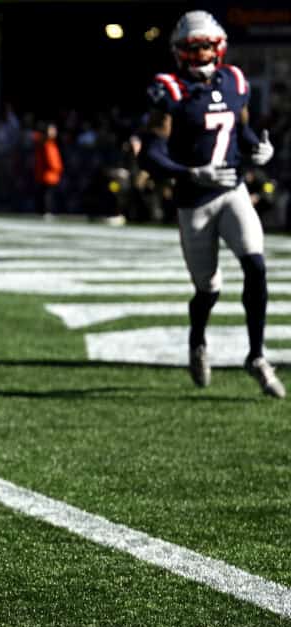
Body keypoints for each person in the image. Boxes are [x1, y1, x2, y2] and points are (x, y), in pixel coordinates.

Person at [140, 10, 285, 398]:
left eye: (207, 45)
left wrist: (259, 148)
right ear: (179, 51)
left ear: (218, 47)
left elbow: (243, 127)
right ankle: (198, 341)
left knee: (255, 265)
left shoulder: (236, 80)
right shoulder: (169, 90)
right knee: (208, 289)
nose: (201, 53)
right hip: (195, 202)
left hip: (233, 191)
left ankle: (256, 355)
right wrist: (191, 173)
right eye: (194, 47)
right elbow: (149, 154)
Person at [34, 122, 63, 219]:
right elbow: (51, 161)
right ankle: (47, 211)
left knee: (48, 194)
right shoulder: (46, 144)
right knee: (47, 195)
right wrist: (57, 168)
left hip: (51, 174)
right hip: (48, 175)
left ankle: (46, 211)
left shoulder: (50, 144)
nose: (54, 132)